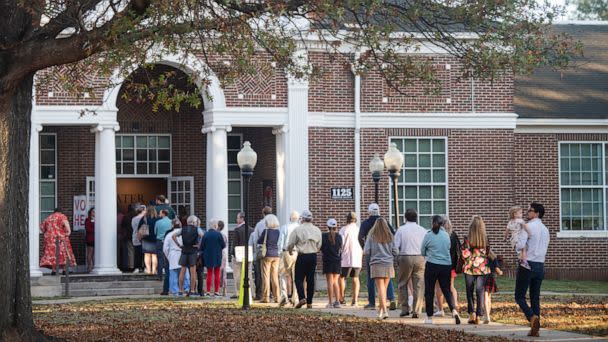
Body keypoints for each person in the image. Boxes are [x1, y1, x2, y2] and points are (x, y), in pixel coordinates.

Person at [515, 202, 550, 337]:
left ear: (536, 213)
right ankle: (535, 329)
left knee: (519, 296)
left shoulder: (528, 226)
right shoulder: (546, 229)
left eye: (530, 210)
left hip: (527, 264)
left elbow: (520, 246)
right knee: (535, 297)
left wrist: (516, 242)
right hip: (540, 265)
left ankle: (532, 317)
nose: (527, 212)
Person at [421, 215, 461, 325]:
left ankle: (429, 317)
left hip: (432, 265)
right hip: (446, 265)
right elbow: (447, 248)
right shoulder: (446, 235)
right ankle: (454, 311)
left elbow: (422, 251)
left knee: (429, 291)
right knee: (446, 290)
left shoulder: (429, 235)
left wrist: (429, 253)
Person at [358, 203, 397, 310]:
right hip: (387, 256)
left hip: (372, 255)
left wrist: (365, 248)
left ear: (369, 212)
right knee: (386, 278)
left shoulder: (365, 223)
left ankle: (372, 302)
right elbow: (393, 235)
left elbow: (360, 237)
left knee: (372, 278)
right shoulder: (385, 222)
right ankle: (391, 298)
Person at [394, 208, 427, 318]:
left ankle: (405, 308)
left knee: (403, 283)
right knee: (418, 285)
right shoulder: (422, 230)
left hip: (405, 256)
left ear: (405, 218)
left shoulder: (401, 230)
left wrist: (397, 257)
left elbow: (395, 246)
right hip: (420, 257)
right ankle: (416, 310)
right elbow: (426, 246)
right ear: (416, 218)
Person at [364, 218, 398, 320]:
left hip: (376, 264)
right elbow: (396, 251)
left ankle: (385, 311)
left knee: (380, 289)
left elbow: (366, 251)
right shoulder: (390, 237)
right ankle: (381, 311)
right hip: (388, 264)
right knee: (384, 288)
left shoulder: (372, 237)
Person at [287, 209, 322, 309]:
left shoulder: (298, 229)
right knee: (310, 280)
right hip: (313, 256)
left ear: (302, 219)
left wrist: (290, 251)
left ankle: (302, 297)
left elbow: (291, 243)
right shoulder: (317, 230)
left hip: (302, 256)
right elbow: (319, 245)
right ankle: (310, 302)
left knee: (298, 278)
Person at [461, 215, 491, 325]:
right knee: (480, 291)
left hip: (469, 268)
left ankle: (471, 314)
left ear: (471, 226)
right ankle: (479, 315)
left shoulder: (467, 239)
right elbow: (487, 253)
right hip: (482, 268)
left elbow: (464, 255)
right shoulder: (486, 239)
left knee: (469, 291)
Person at [434, 215, 461, 317]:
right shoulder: (453, 235)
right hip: (451, 265)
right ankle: (455, 306)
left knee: (439, 287)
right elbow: (459, 250)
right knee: (451, 286)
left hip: (440, 264)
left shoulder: (438, 235)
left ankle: (441, 309)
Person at [173, 215, 204, 296]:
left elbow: (174, 236)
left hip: (184, 250)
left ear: (187, 222)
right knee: (192, 272)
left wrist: (179, 245)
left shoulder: (183, 229)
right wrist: (199, 245)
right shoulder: (197, 229)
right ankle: (193, 290)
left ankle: (180, 290)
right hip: (193, 251)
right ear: (194, 222)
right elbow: (203, 236)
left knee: (182, 271)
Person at [40, 208, 77, 273]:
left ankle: (54, 270)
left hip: (50, 240)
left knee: (53, 254)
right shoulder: (62, 216)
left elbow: (42, 229)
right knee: (64, 254)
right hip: (60, 238)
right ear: (60, 212)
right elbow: (67, 227)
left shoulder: (48, 218)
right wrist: (67, 233)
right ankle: (65, 270)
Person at [339, 211, 362, 307]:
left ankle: (342, 299)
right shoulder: (358, 229)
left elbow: (341, 243)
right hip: (357, 257)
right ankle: (355, 301)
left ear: (347, 219)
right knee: (355, 278)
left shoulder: (343, 229)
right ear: (355, 220)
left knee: (342, 278)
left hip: (345, 257)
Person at [258, 214, 282, 303]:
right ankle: (277, 297)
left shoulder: (266, 231)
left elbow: (259, 241)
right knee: (275, 277)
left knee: (266, 277)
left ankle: (266, 297)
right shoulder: (278, 232)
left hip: (267, 255)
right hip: (276, 255)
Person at [163, 219, 191, 295]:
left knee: (173, 274)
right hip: (183, 253)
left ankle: (175, 291)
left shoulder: (169, 235)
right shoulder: (185, 234)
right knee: (185, 273)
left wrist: (168, 256)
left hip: (173, 255)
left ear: (172, 225)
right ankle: (187, 288)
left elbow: (165, 248)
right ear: (181, 225)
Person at [278, 211, 300, 306]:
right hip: (297, 252)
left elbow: (280, 241)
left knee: (282, 274)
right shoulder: (300, 228)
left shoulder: (284, 227)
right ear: (298, 219)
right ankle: (295, 298)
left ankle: (284, 296)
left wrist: (280, 253)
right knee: (296, 276)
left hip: (286, 251)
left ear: (290, 218)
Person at [199, 219, 226, 296]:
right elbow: (223, 245)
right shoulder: (219, 234)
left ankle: (208, 291)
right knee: (217, 273)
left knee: (209, 273)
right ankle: (216, 291)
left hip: (207, 256)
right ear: (215, 225)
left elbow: (201, 247)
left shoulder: (205, 234)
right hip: (217, 256)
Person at [252, 206, 273, 300]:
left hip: (263, 252)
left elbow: (256, 239)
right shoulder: (275, 223)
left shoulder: (260, 224)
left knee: (261, 274)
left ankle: (261, 294)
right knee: (273, 274)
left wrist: (256, 252)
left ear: (263, 213)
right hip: (274, 251)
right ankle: (272, 293)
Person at [231, 212, 253, 299]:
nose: (236, 220)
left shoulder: (237, 230)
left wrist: (232, 254)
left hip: (239, 254)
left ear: (242, 219)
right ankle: (251, 292)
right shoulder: (252, 229)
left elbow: (235, 243)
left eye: (237, 218)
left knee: (237, 274)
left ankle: (238, 293)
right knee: (249, 274)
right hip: (248, 253)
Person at [321, 218, 343, 309]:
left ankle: (330, 303)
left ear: (328, 226)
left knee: (330, 282)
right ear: (336, 227)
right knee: (335, 282)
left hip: (327, 261)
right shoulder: (339, 236)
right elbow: (341, 248)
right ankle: (337, 302)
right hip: (337, 261)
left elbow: (320, 248)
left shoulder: (323, 236)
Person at [505, 206, 532, 270]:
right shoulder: (520, 221)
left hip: (514, 241)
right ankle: (525, 262)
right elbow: (526, 227)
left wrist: (505, 238)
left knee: (520, 251)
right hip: (520, 239)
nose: (521, 214)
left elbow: (506, 232)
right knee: (524, 248)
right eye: (520, 213)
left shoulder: (510, 222)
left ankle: (520, 260)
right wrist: (529, 234)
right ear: (515, 214)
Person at [155, 209, 172, 295]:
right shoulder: (171, 221)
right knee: (167, 258)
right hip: (168, 241)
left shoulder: (158, 222)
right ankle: (167, 273)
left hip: (159, 241)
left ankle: (160, 275)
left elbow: (155, 232)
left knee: (160, 258)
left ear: (163, 213)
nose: (159, 214)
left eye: (160, 212)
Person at [139, 205, 159, 274]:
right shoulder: (158, 219)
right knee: (154, 255)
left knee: (147, 255)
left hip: (146, 238)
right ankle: (153, 270)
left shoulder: (144, 218)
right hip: (155, 238)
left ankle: (148, 270)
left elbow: (139, 228)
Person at [484, 250, 503, 324]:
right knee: (489, 298)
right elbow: (497, 270)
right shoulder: (494, 258)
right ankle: (488, 315)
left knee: (485, 297)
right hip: (491, 278)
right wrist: (501, 272)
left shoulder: (483, 258)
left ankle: (487, 316)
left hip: (484, 277)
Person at [131, 205, 146, 273]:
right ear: (143, 210)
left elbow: (133, 228)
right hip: (143, 238)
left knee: (137, 254)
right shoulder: (144, 218)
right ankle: (145, 267)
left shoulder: (133, 218)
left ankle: (137, 267)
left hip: (135, 237)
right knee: (145, 253)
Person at [85, 207, 95, 273]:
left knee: (95, 254)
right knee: (90, 253)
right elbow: (88, 229)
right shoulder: (87, 220)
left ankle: (94, 267)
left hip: (96, 239)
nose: (94, 213)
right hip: (90, 239)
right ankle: (89, 267)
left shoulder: (97, 219)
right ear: (90, 213)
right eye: (93, 212)